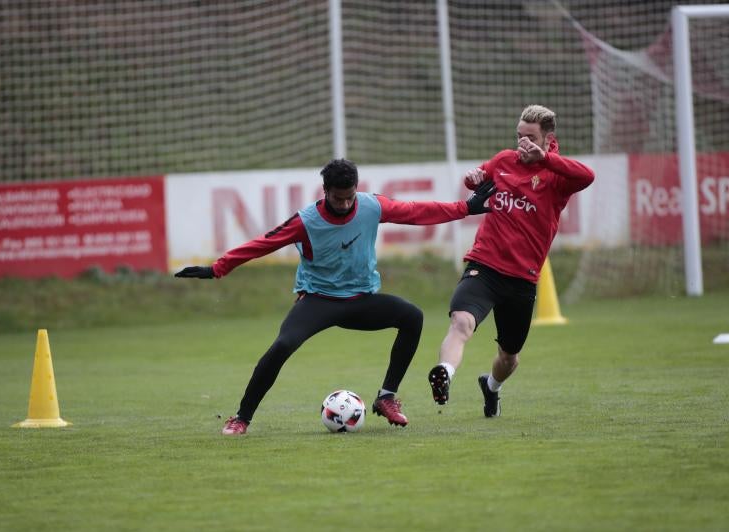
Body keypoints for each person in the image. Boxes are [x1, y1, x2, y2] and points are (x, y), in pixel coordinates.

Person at [176, 158, 496, 435]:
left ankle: (386, 397)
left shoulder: (371, 206)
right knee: (282, 345)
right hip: (318, 301)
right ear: (325, 191)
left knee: (412, 316)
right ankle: (241, 418)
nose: (344, 204)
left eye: (349, 197)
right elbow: (263, 243)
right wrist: (217, 269)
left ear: (356, 189)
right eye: (338, 198)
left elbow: (416, 212)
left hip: (361, 300)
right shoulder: (307, 221)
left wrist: (466, 207)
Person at [427, 105, 595, 417]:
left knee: (509, 357)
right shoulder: (504, 160)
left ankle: (491, 387)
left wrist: (545, 160)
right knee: (461, 322)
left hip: (522, 278)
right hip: (485, 265)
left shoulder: (556, 174)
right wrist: (472, 177)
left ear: (547, 139)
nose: (522, 144)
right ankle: (444, 374)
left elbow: (588, 175)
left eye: (530, 138)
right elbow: (477, 179)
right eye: (519, 136)